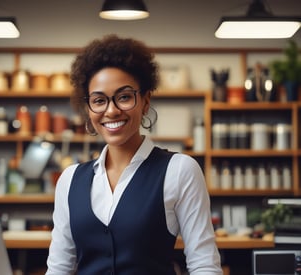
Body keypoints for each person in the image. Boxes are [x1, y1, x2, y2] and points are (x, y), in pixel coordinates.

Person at [46, 34, 222, 275]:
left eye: (124, 97)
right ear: (88, 108)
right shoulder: (69, 180)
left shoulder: (179, 170)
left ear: (145, 101)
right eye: (99, 100)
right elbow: (59, 269)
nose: (111, 110)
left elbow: (204, 266)